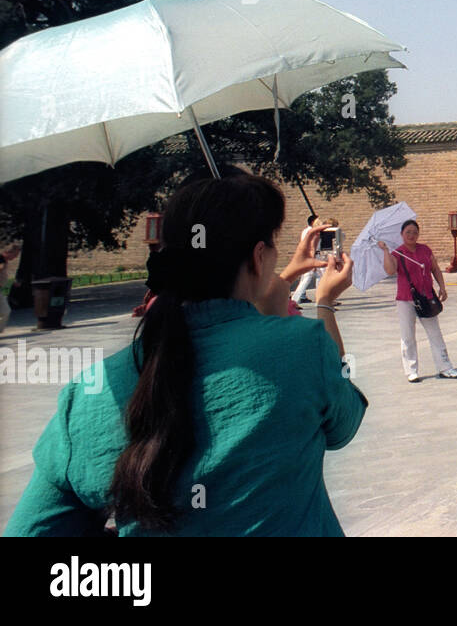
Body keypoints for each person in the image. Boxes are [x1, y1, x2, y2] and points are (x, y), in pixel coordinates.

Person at [4, 171, 365, 536]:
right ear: (259, 256)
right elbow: (342, 425)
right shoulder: (303, 347)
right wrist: (325, 304)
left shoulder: (91, 392)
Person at [377, 220, 457, 381]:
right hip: (405, 300)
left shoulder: (425, 250)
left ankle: (445, 367)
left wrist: (442, 287)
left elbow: (434, 268)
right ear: (402, 234)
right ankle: (411, 370)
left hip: (426, 297)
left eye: (414, 232)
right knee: (407, 336)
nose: (411, 235)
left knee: (435, 334)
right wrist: (386, 251)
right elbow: (390, 270)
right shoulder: (398, 253)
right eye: (408, 232)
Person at [0, 242, 20, 333]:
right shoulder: (1, 259)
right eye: (15, 255)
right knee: (5, 311)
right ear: (9, 252)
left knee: (5, 311)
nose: (15, 257)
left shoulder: (4, 260)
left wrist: (12, 282)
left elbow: (3, 275)